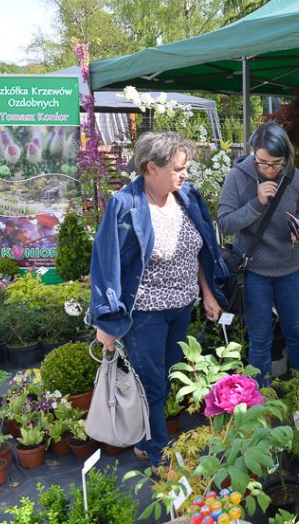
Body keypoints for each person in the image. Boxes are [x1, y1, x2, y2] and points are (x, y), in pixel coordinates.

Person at [88, 132, 226, 466]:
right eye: (179, 167)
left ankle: (144, 438)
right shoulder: (125, 204)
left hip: (181, 309)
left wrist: (207, 293)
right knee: (151, 385)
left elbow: (200, 251)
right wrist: (106, 321)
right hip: (145, 314)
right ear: (152, 167)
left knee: (167, 376)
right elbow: (107, 262)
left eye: (186, 167)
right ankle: (160, 457)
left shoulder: (187, 196)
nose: (185, 174)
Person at [218, 123, 299, 382]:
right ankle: (261, 402)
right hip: (254, 271)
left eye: (276, 163)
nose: (270, 169)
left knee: (296, 333)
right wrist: (256, 203)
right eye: (263, 162)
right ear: (252, 153)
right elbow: (224, 223)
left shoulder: (295, 177)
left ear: (286, 157)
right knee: (260, 339)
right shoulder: (237, 177)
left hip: (290, 269)